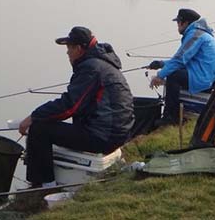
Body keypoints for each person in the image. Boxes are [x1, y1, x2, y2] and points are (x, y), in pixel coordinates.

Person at [18, 27, 134, 187]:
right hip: (118, 133)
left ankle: (44, 185)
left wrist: (33, 117)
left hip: (104, 136)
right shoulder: (103, 63)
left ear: (79, 48)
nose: (67, 53)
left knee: (39, 129)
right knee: (47, 124)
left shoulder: (91, 68)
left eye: (69, 48)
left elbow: (69, 106)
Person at [149, 9, 215, 125]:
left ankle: (171, 118)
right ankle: (173, 114)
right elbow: (184, 59)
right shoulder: (200, 33)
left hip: (206, 78)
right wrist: (161, 64)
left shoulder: (195, 34)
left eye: (178, 22)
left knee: (173, 76)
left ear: (185, 23)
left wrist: (160, 75)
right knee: (175, 71)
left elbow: (180, 59)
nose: (177, 26)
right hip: (209, 74)